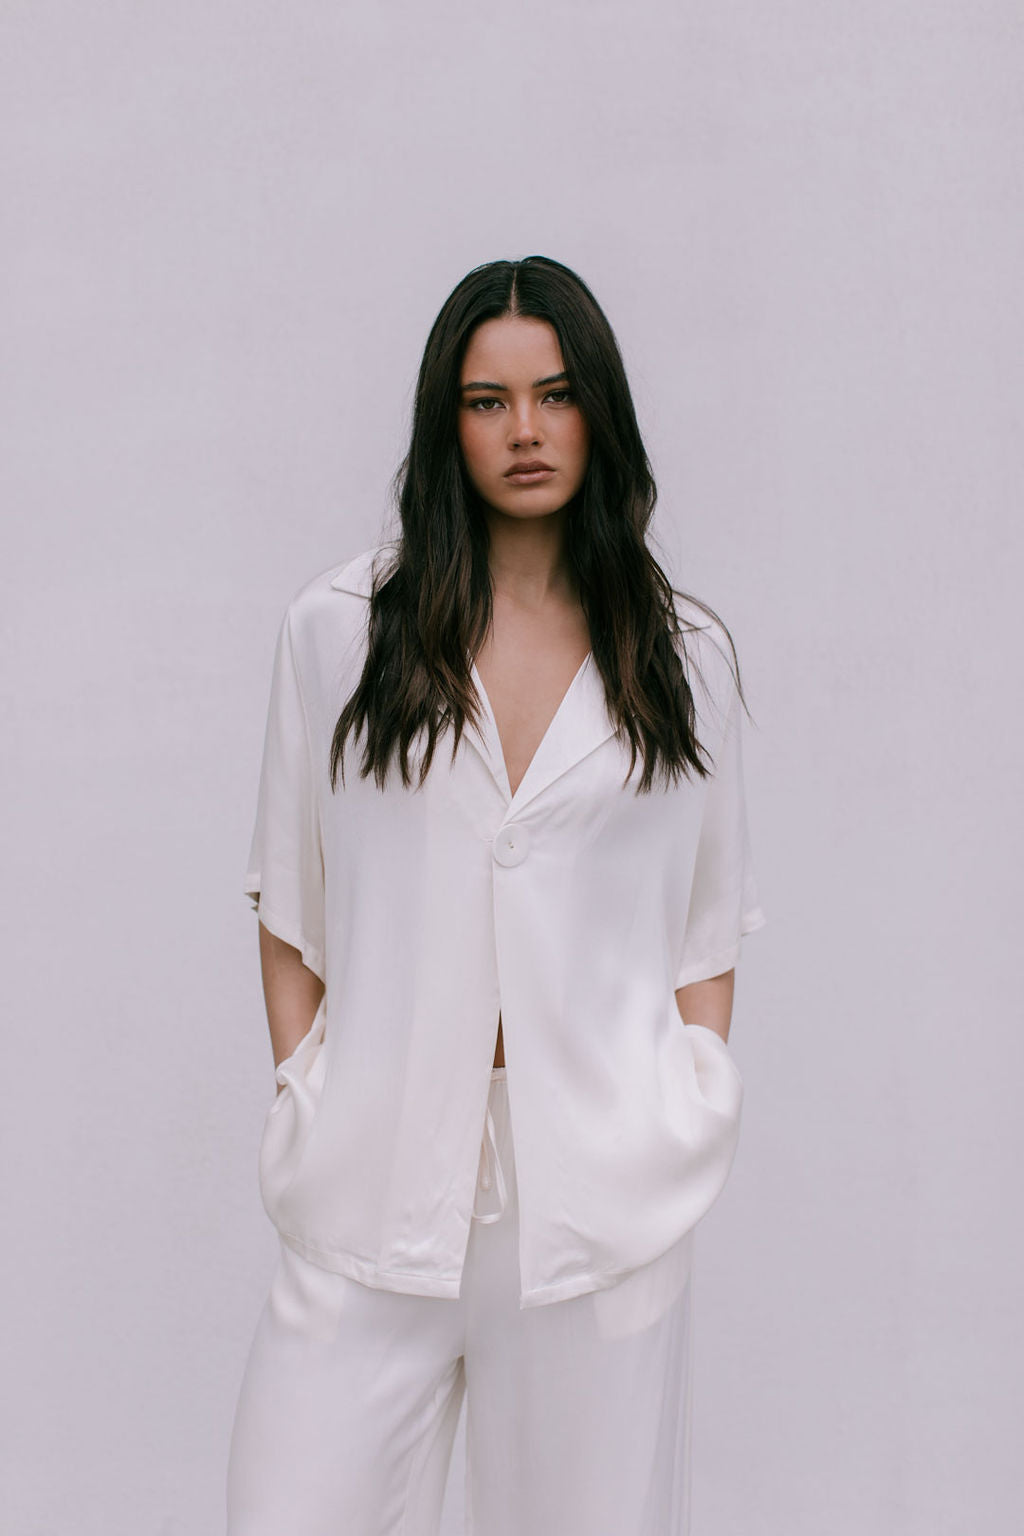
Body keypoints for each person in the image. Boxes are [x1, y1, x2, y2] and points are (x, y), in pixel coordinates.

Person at [226, 254, 766, 1535]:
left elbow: (705, 927)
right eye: (486, 401)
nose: (524, 431)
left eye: (555, 393)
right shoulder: (339, 632)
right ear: (444, 421)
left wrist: (680, 1102)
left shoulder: (682, 653)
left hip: (593, 1201)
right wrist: (313, 1093)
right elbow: (287, 903)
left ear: (599, 412)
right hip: (374, 1173)